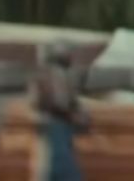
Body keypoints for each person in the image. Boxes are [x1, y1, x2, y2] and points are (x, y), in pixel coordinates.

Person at [30, 42, 89, 181]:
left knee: (54, 166)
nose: (72, 58)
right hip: (56, 123)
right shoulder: (54, 74)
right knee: (64, 166)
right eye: (70, 54)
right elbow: (58, 102)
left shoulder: (49, 73)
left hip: (54, 124)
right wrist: (74, 115)